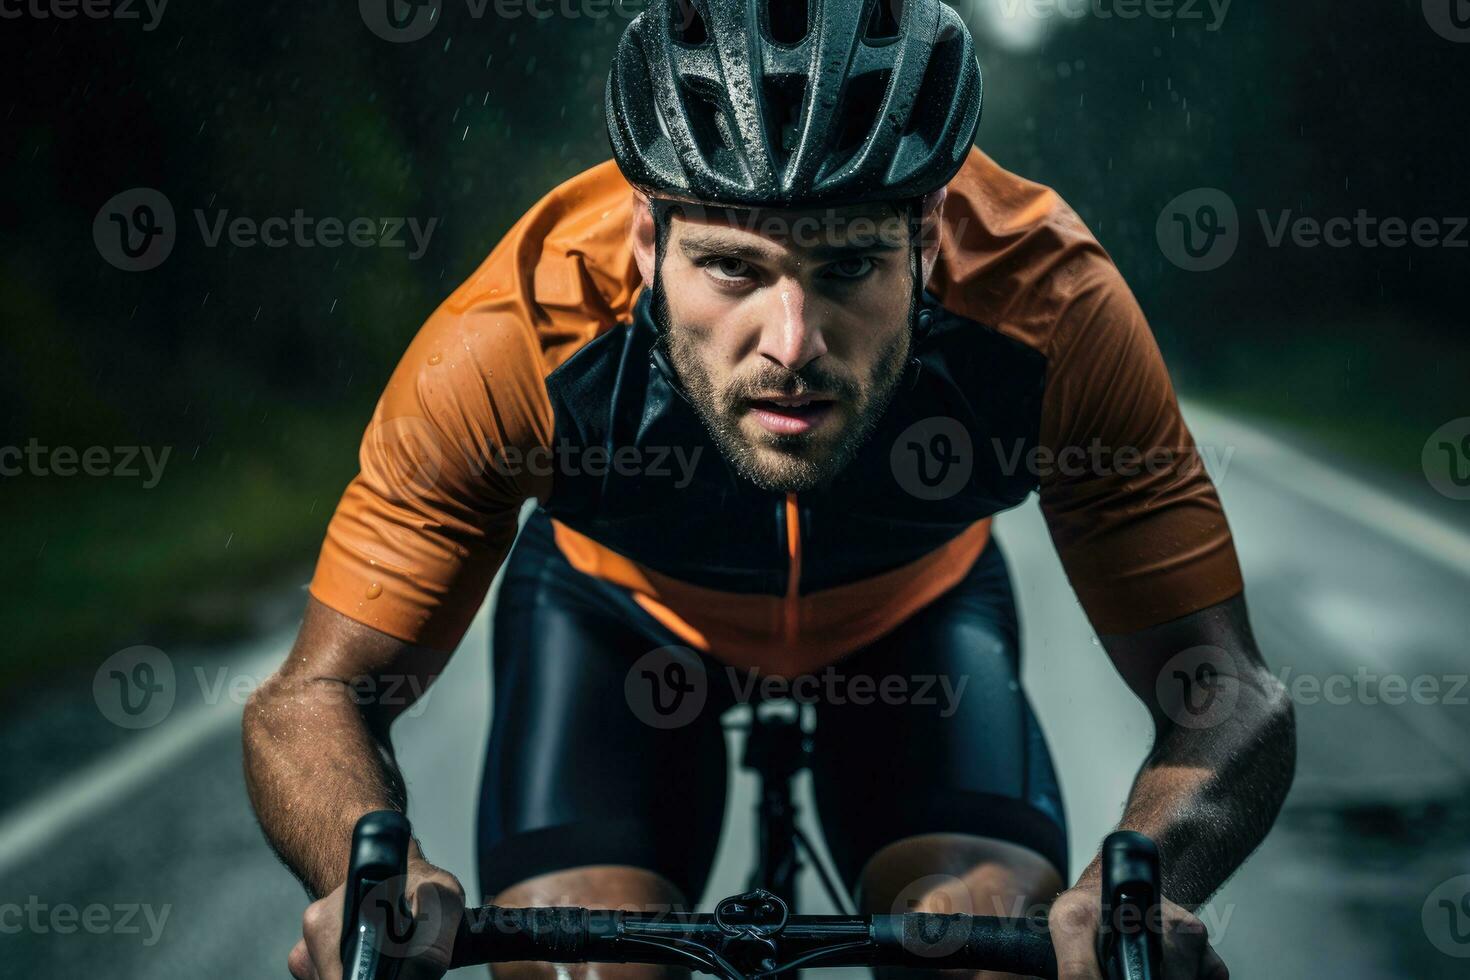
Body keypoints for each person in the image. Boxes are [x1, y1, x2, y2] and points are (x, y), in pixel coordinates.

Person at [243, 2, 1294, 978]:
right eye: (733, 268)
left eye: (847, 269)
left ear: (926, 238)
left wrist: (1145, 877)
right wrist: (361, 873)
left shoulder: (1051, 315)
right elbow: (318, 692)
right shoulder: (517, 339)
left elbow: (1226, 688)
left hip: (912, 619)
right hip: (618, 621)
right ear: (647, 241)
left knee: (981, 943)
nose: (791, 345)